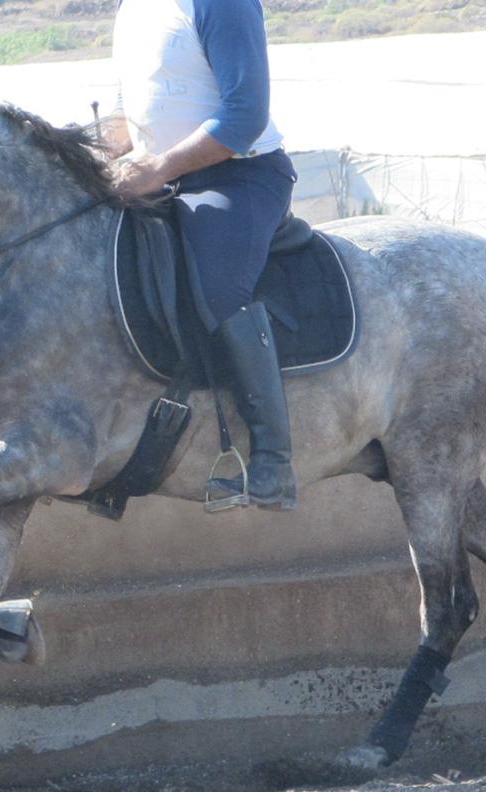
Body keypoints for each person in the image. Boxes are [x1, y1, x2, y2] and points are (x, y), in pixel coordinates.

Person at [104, 0, 298, 510]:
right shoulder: (134, 9)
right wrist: (96, 153)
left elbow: (244, 117)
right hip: (159, 174)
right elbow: (132, 107)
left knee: (218, 286)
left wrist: (158, 168)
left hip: (240, 176)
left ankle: (273, 461)